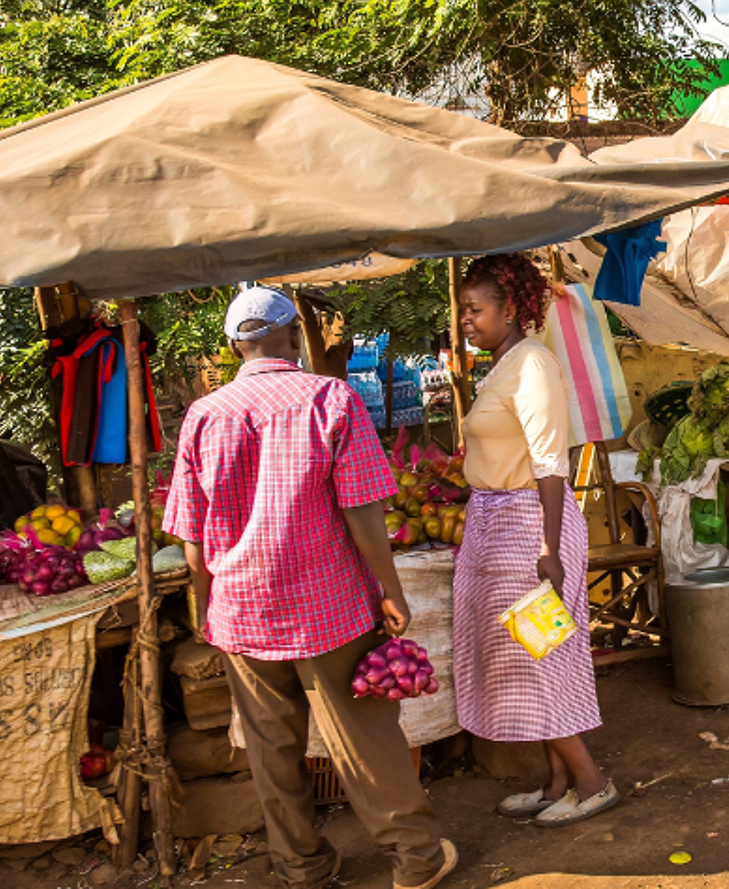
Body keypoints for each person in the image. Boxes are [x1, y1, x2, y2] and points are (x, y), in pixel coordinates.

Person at [166, 288, 456, 889]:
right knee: (366, 735)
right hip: (326, 602)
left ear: (233, 346)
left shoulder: (203, 416)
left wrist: (203, 605)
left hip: (241, 608)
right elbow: (363, 511)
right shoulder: (328, 398)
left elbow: (193, 541)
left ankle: (301, 865)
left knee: (272, 745)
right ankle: (415, 860)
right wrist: (391, 589)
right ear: (295, 336)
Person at [450, 253, 616, 826]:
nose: (465, 319)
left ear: (512, 308)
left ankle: (592, 782)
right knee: (527, 656)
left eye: (474, 309)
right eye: (463, 309)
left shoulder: (533, 365)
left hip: (529, 526)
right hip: (499, 522)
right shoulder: (503, 365)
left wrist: (549, 549)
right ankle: (558, 782)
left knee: (538, 652)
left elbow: (550, 466)